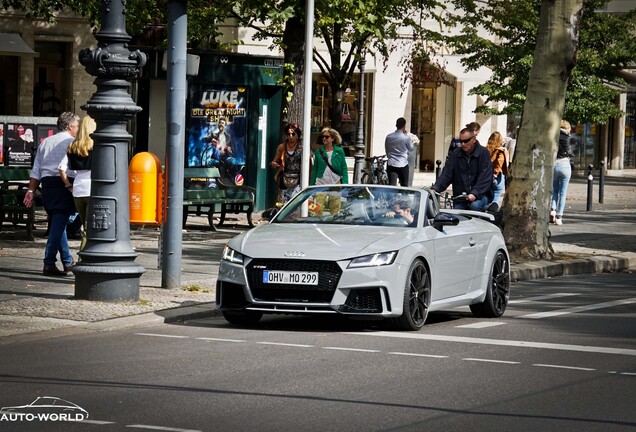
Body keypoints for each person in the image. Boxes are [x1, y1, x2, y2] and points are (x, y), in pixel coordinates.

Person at [23, 112, 79, 276]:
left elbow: (36, 170)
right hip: (64, 184)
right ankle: (49, 263)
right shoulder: (72, 142)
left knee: (57, 222)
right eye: (77, 126)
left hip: (47, 185)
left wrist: (31, 190)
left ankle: (68, 261)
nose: (78, 129)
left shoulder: (45, 142)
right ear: (70, 126)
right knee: (60, 221)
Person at [431, 127, 493, 211]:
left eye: (466, 141)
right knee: (455, 214)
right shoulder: (455, 154)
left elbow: (485, 176)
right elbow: (447, 173)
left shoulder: (483, 153)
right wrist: (436, 188)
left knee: (474, 206)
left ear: (474, 139)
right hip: (460, 198)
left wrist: (475, 193)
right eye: (461, 141)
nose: (463, 144)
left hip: (480, 196)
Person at [58, 115, 96, 254]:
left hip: (78, 190)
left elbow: (61, 168)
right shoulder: (96, 146)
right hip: (93, 189)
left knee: (85, 226)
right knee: (90, 228)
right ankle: (84, 258)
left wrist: (68, 185)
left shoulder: (73, 146)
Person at [310, 128, 349, 216]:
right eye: (322, 137)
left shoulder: (339, 151)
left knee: (335, 210)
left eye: (326, 137)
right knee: (317, 210)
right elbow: (315, 169)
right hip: (320, 183)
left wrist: (345, 184)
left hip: (335, 183)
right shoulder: (318, 152)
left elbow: (344, 168)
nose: (324, 139)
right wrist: (312, 186)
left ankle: (333, 228)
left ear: (332, 138)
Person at [271, 122, 303, 204]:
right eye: (288, 134)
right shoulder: (282, 146)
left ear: (297, 134)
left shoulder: (302, 146)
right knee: (286, 201)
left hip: (299, 178)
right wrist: (274, 164)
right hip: (286, 177)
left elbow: (309, 160)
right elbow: (275, 161)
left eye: (293, 134)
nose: (290, 136)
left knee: (296, 201)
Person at [550, 120, 575, 225]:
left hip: (555, 164)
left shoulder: (553, 136)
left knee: (555, 190)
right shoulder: (569, 138)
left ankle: (552, 210)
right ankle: (559, 217)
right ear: (567, 128)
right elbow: (571, 153)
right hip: (565, 164)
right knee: (563, 192)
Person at [385, 117, 415, 186]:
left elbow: (387, 150)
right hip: (403, 164)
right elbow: (411, 148)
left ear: (396, 125)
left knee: (391, 186)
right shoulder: (406, 138)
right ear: (404, 126)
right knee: (404, 186)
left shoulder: (389, 137)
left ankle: (391, 197)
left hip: (391, 163)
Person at [486, 131, 509, 207]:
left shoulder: (486, 150)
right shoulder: (501, 151)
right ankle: (493, 210)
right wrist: (495, 173)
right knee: (497, 194)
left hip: (487, 176)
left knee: (489, 195)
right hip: (497, 176)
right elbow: (500, 163)